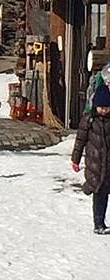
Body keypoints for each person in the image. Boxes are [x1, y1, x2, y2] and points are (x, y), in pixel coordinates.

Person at [71, 84, 110, 234]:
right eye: (101, 107)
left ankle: (102, 222)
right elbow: (80, 141)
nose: (104, 110)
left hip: (108, 165)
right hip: (95, 164)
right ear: (95, 106)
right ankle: (98, 223)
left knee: (105, 193)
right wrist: (76, 159)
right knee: (99, 193)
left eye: (107, 107)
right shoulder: (89, 120)